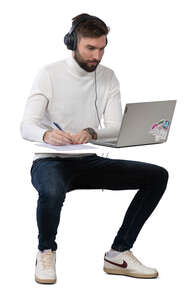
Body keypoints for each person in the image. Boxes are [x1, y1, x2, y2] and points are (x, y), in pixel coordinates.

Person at [20, 13, 169, 284]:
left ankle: (119, 253)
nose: (97, 56)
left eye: (102, 49)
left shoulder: (108, 77)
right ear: (73, 43)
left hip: (88, 161)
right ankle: (46, 251)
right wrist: (46, 133)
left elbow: (115, 125)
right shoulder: (49, 74)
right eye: (91, 48)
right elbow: (26, 125)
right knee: (52, 190)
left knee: (157, 175)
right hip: (49, 161)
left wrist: (90, 132)